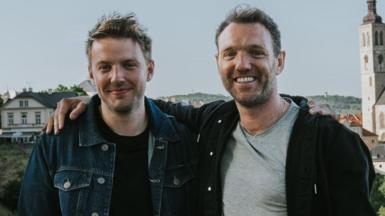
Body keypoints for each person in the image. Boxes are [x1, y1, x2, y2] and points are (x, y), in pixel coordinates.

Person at [48, 6, 375, 216]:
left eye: (256, 52)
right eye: (229, 53)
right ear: (217, 63)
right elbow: (149, 106)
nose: (241, 64)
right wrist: (94, 100)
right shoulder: (214, 121)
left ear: (279, 61)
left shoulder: (328, 140)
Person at [18, 14, 197, 216]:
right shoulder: (55, 143)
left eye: (129, 65)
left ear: (149, 70)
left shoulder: (182, 142)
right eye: (105, 67)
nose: (117, 77)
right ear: (92, 75)